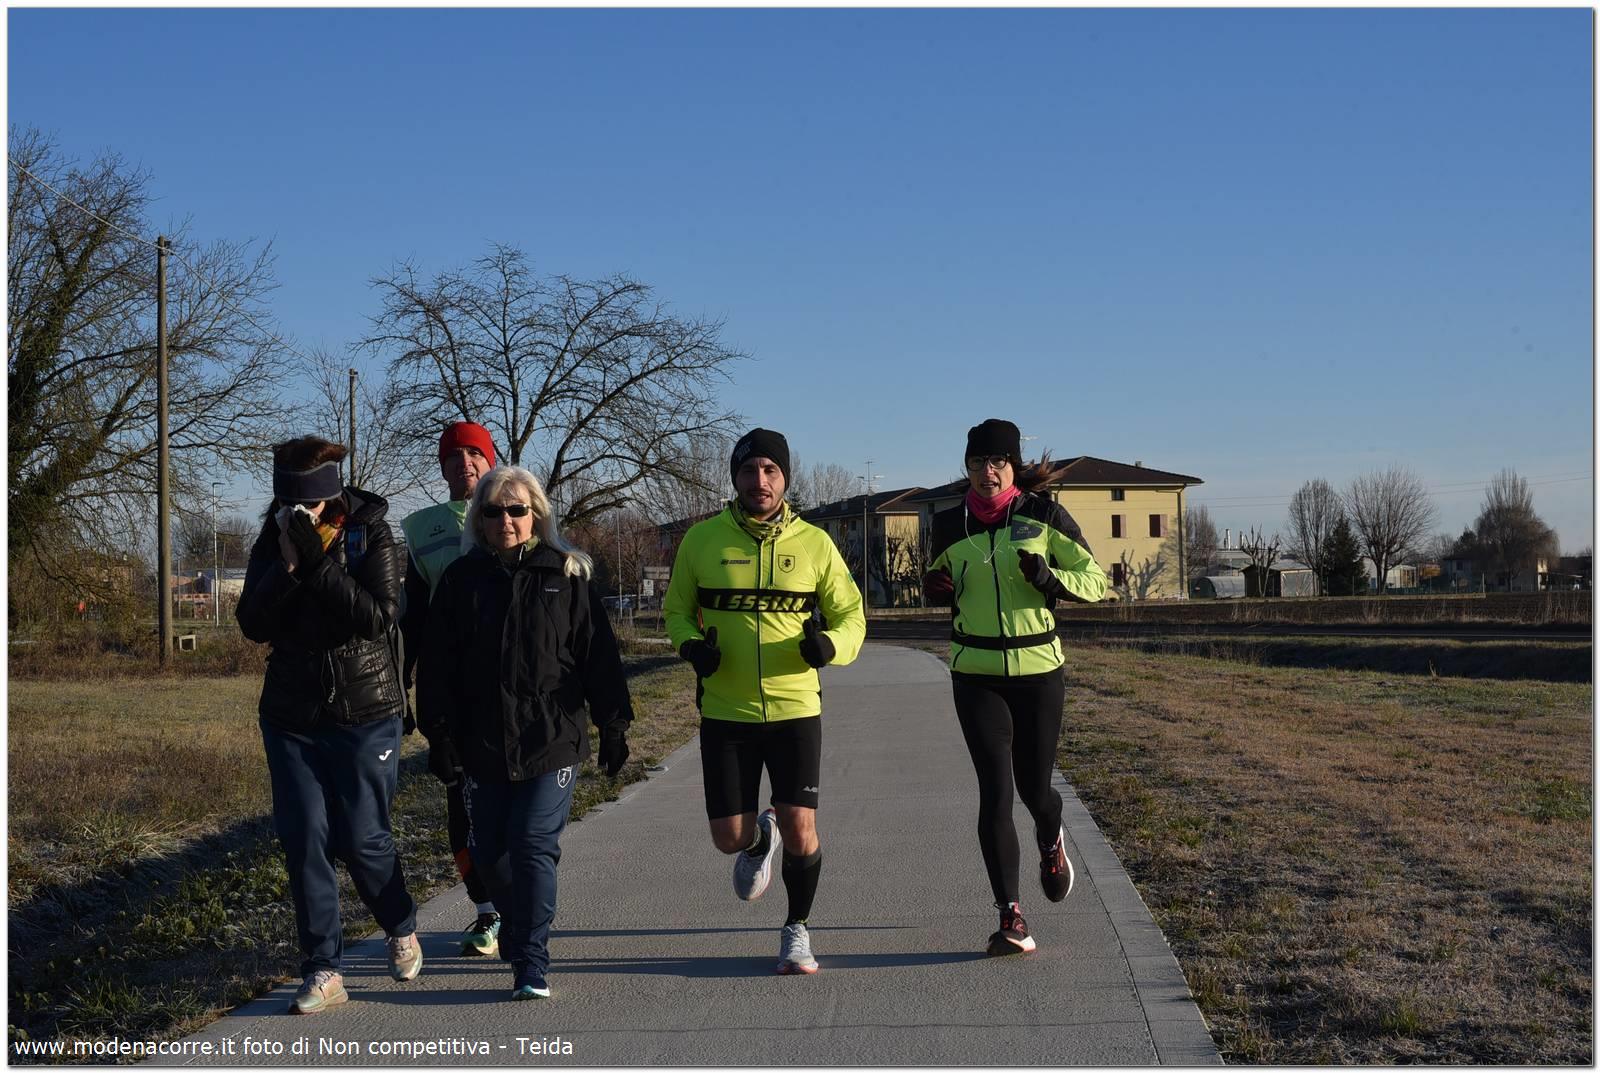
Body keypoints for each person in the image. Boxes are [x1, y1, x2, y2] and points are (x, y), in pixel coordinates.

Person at [418, 465, 634, 1001]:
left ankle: (531, 961)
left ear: (536, 514)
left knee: (533, 844)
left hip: (551, 736)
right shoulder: (461, 580)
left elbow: (598, 654)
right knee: (490, 853)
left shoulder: (566, 574)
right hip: (483, 740)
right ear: (479, 519)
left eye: (517, 510)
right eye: (494, 511)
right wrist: (439, 736)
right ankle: (517, 931)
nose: (506, 520)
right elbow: (437, 665)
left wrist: (613, 723)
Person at [663, 428, 866, 975]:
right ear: (735, 477)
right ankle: (757, 842)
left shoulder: (815, 543)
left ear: (785, 478)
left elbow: (853, 616)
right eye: (749, 470)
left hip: (795, 707)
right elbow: (677, 610)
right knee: (728, 837)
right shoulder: (702, 540)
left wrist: (830, 645)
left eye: (770, 470)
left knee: (802, 823)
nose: (760, 480)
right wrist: (690, 646)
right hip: (725, 711)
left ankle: (797, 929)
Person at [236, 436, 422, 1014]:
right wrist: (287, 571)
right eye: (287, 502)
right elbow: (251, 623)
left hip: (365, 710)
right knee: (304, 838)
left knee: (362, 838)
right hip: (291, 715)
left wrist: (316, 566)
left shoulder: (371, 531)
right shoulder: (272, 538)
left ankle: (399, 923)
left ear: (331, 495)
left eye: (309, 503)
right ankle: (323, 967)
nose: (298, 513)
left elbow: (378, 618)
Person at [922, 418, 1108, 956]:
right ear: (967, 467)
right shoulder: (948, 524)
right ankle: (1011, 915)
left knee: (1035, 791)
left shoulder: (1044, 516)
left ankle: (1051, 835)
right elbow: (941, 583)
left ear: (1013, 465)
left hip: (1038, 672)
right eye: (977, 462)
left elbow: (1096, 582)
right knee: (996, 793)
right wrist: (935, 589)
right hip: (975, 672)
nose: (988, 471)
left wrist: (1052, 580)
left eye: (998, 461)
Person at [400, 420, 504, 958]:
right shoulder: (423, 530)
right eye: (453, 457)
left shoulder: (519, 512)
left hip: (516, 689)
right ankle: (487, 910)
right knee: (461, 805)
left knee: (517, 806)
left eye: (474, 454)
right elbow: (411, 621)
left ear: (491, 461)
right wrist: (400, 689)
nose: (464, 464)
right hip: (453, 690)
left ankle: (521, 899)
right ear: (441, 468)